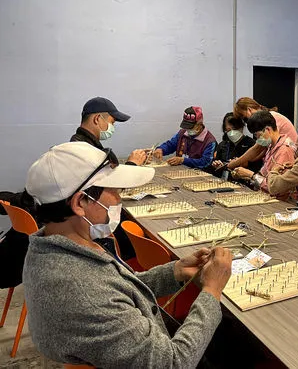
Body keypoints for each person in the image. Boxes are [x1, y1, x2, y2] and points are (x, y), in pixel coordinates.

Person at [22, 142, 232, 367]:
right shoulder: (83, 291)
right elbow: (173, 363)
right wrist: (211, 290)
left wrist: (174, 271)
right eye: (113, 190)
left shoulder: (54, 245)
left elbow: (117, 290)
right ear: (80, 202)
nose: (119, 199)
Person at [231, 110, 296, 193]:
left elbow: (277, 187)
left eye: (257, 135)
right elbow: (265, 176)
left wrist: (250, 175)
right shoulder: (271, 146)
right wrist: (243, 175)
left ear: (267, 129)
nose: (258, 139)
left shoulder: (284, 150)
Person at [71, 97, 147, 166]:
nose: (112, 127)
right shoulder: (83, 149)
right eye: (112, 122)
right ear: (97, 119)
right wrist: (132, 164)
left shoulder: (84, 144)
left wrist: (138, 159)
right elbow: (105, 181)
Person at [227, 97, 298, 171]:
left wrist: (235, 163)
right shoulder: (270, 140)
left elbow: (258, 148)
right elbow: (262, 149)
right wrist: (246, 161)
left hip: (286, 158)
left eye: (244, 118)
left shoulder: (272, 118)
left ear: (249, 110)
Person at [211, 112, 262, 178]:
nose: (232, 132)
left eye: (235, 129)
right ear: (225, 130)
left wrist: (245, 164)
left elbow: (258, 169)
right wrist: (216, 166)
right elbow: (215, 170)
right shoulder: (222, 145)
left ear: (242, 127)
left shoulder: (252, 145)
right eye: (229, 130)